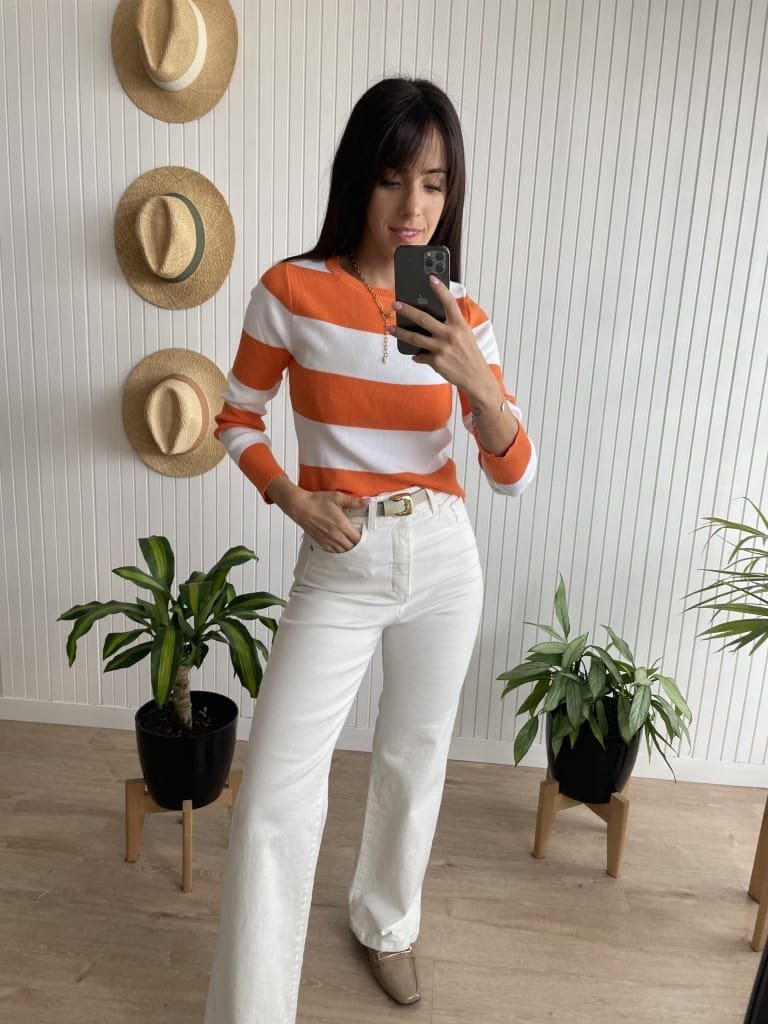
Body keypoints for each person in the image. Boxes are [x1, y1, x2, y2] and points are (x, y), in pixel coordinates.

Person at [205, 76, 536, 1024]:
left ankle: (387, 924)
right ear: (360, 177)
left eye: (433, 183)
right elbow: (235, 417)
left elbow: (513, 473)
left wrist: (476, 381)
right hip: (340, 557)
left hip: (442, 557)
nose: (412, 206)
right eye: (394, 179)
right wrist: (293, 498)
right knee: (275, 792)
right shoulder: (290, 291)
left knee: (414, 756)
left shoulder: (462, 314)